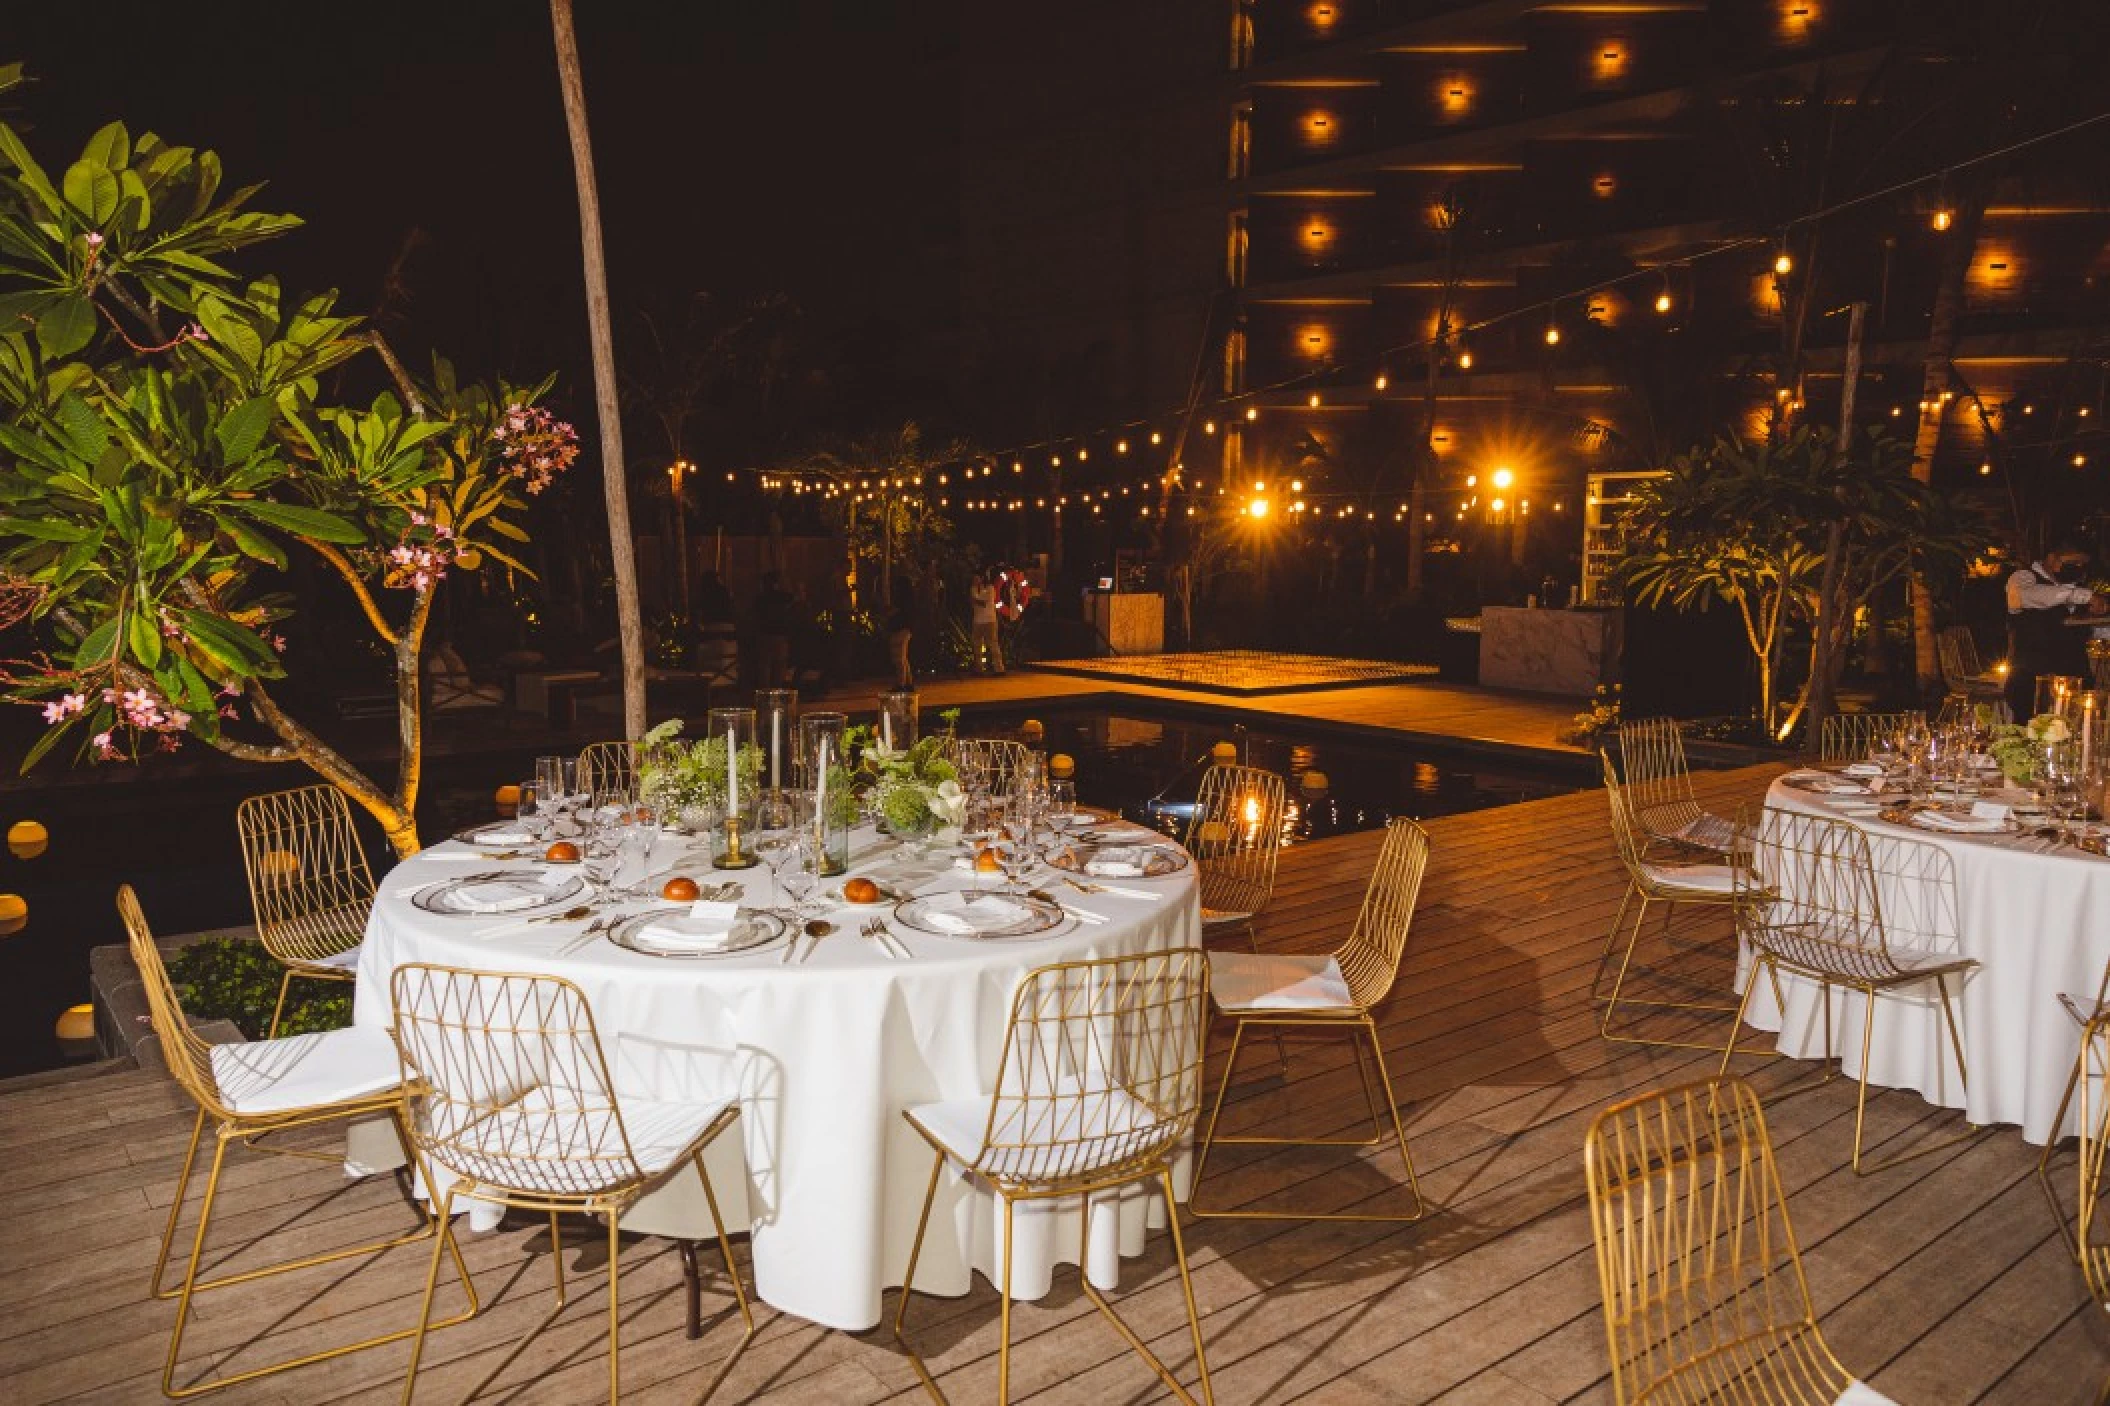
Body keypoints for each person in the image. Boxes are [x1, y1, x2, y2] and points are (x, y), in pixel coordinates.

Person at [2005, 539, 2107, 716]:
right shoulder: (2023, 578)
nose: (2079, 568)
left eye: (2083, 564)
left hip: (2076, 684)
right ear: (2052, 559)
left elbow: (2086, 630)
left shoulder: (2075, 589)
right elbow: (2025, 596)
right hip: (2033, 686)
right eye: (2073, 563)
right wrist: (2082, 596)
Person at [754, 571, 795, 687]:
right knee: (779, 665)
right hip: (779, 635)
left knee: (764, 666)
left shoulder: (760, 599)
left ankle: (765, 691)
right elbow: (793, 599)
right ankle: (776, 691)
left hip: (764, 634)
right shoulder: (784, 597)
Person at [970, 568, 1005, 676]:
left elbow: (983, 602)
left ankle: (999, 668)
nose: (975, 580)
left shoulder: (990, 588)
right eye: (974, 578)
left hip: (989, 620)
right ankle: (978, 668)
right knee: (977, 645)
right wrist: (975, 599)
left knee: (993, 644)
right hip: (977, 621)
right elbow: (974, 601)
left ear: (982, 578)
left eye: (977, 578)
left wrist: (975, 600)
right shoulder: (973, 589)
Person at [886, 576, 916, 689]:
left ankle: (901, 683)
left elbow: (897, 611)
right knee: (903, 658)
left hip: (901, 628)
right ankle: (908, 682)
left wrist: (888, 613)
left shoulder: (902, 600)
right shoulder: (910, 599)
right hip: (906, 628)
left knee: (899, 659)